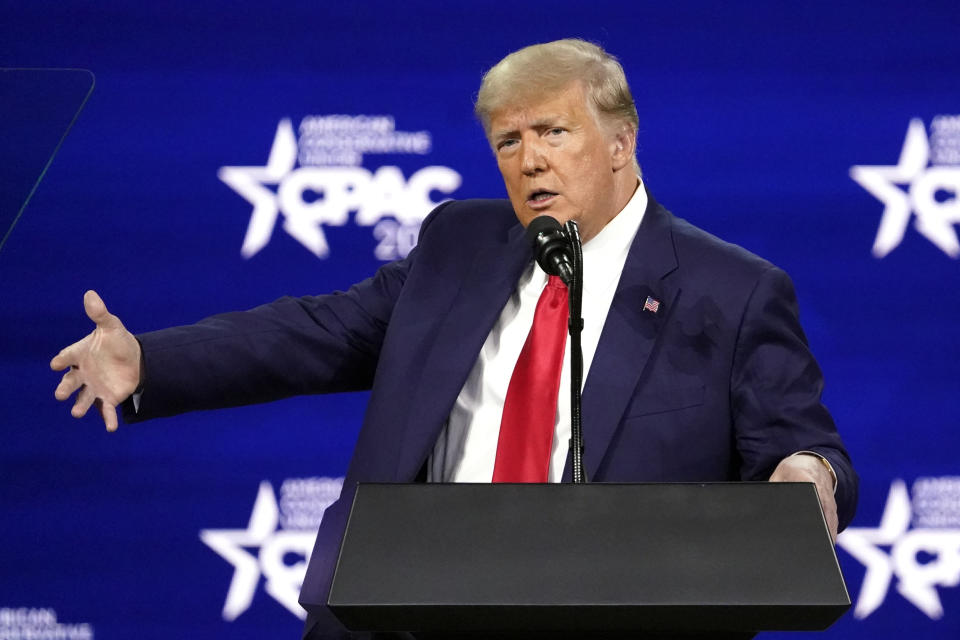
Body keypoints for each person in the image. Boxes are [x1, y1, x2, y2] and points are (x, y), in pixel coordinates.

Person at [51, 39, 857, 639]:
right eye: (508, 142)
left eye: (553, 132)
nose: (529, 160)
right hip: (398, 614)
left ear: (621, 144)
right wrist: (150, 359)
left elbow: (804, 448)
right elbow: (316, 332)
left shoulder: (732, 290)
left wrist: (806, 474)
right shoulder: (459, 245)